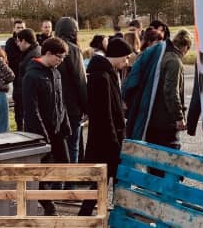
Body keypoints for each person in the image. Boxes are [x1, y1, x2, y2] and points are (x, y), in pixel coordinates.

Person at [79, 37, 133, 217]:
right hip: (107, 140)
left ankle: (88, 213)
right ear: (117, 56)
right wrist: (114, 142)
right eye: (125, 58)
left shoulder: (106, 73)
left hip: (108, 138)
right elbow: (104, 115)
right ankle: (122, 213)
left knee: (104, 180)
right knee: (111, 179)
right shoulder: (102, 77)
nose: (126, 62)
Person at [21, 37, 70, 216]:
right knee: (42, 171)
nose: (61, 61)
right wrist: (42, 137)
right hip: (41, 134)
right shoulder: (32, 76)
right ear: (48, 53)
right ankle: (49, 206)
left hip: (57, 130)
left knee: (65, 164)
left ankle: (51, 198)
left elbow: (60, 102)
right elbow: (31, 110)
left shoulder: (56, 72)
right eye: (59, 57)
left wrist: (65, 126)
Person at [146, 30, 192, 151]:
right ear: (186, 47)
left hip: (152, 119)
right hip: (166, 122)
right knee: (171, 158)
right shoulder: (174, 61)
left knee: (154, 160)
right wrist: (179, 117)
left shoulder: (161, 56)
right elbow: (171, 92)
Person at [122, 29, 167, 141]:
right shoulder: (143, 56)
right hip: (138, 98)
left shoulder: (142, 55)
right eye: (157, 41)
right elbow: (132, 80)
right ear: (150, 41)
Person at [54, 17, 88, 164]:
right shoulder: (72, 50)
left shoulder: (50, 47)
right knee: (73, 146)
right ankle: (70, 180)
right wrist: (87, 107)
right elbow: (80, 80)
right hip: (72, 107)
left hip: (55, 107)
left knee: (58, 147)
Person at [12, 29, 41, 131]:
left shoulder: (32, 56)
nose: (17, 44)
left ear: (24, 41)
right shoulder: (32, 52)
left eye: (18, 41)